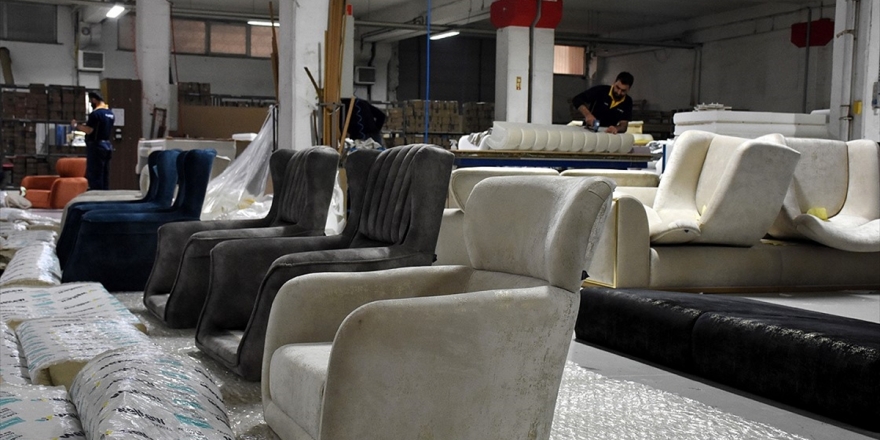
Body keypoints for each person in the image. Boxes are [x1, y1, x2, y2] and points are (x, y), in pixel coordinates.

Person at [71, 92, 115, 190]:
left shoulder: (96, 114)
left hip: (96, 146)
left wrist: (76, 126)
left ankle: (96, 195)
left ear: (94, 100)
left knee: (95, 174)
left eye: (91, 101)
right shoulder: (110, 114)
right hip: (107, 146)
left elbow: (89, 130)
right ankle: (105, 194)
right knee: (105, 173)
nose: (91, 103)